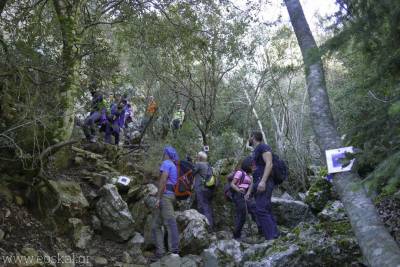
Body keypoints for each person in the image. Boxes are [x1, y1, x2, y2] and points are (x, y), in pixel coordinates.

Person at [151, 146, 180, 260]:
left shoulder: (166, 163)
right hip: (169, 195)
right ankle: (160, 252)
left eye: (164, 153)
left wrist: (158, 198)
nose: (163, 154)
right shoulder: (173, 164)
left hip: (165, 197)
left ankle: (174, 251)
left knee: (170, 223)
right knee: (156, 225)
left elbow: (163, 180)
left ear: (166, 154)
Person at [249, 131, 279, 240]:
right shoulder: (255, 152)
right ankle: (275, 235)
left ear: (253, 137)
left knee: (261, 209)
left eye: (250, 137)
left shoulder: (263, 147)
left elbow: (269, 163)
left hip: (264, 181)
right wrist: (249, 192)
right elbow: (254, 173)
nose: (249, 139)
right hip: (258, 181)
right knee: (266, 208)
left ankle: (271, 238)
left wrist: (263, 181)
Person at [230, 156, 260, 240]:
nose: (254, 167)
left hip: (246, 195)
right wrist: (238, 190)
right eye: (252, 165)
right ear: (248, 165)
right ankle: (236, 235)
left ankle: (261, 230)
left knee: (254, 210)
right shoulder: (240, 173)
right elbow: (232, 184)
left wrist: (248, 194)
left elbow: (251, 186)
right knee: (242, 215)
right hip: (238, 195)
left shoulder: (251, 176)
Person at [193, 151, 215, 231]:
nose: (196, 157)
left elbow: (192, 172)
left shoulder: (199, 164)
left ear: (199, 157)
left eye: (197, 156)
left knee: (202, 207)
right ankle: (211, 225)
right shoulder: (208, 165)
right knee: (208, 207)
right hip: (209, 189)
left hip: (201, 188)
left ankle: (206, 228)